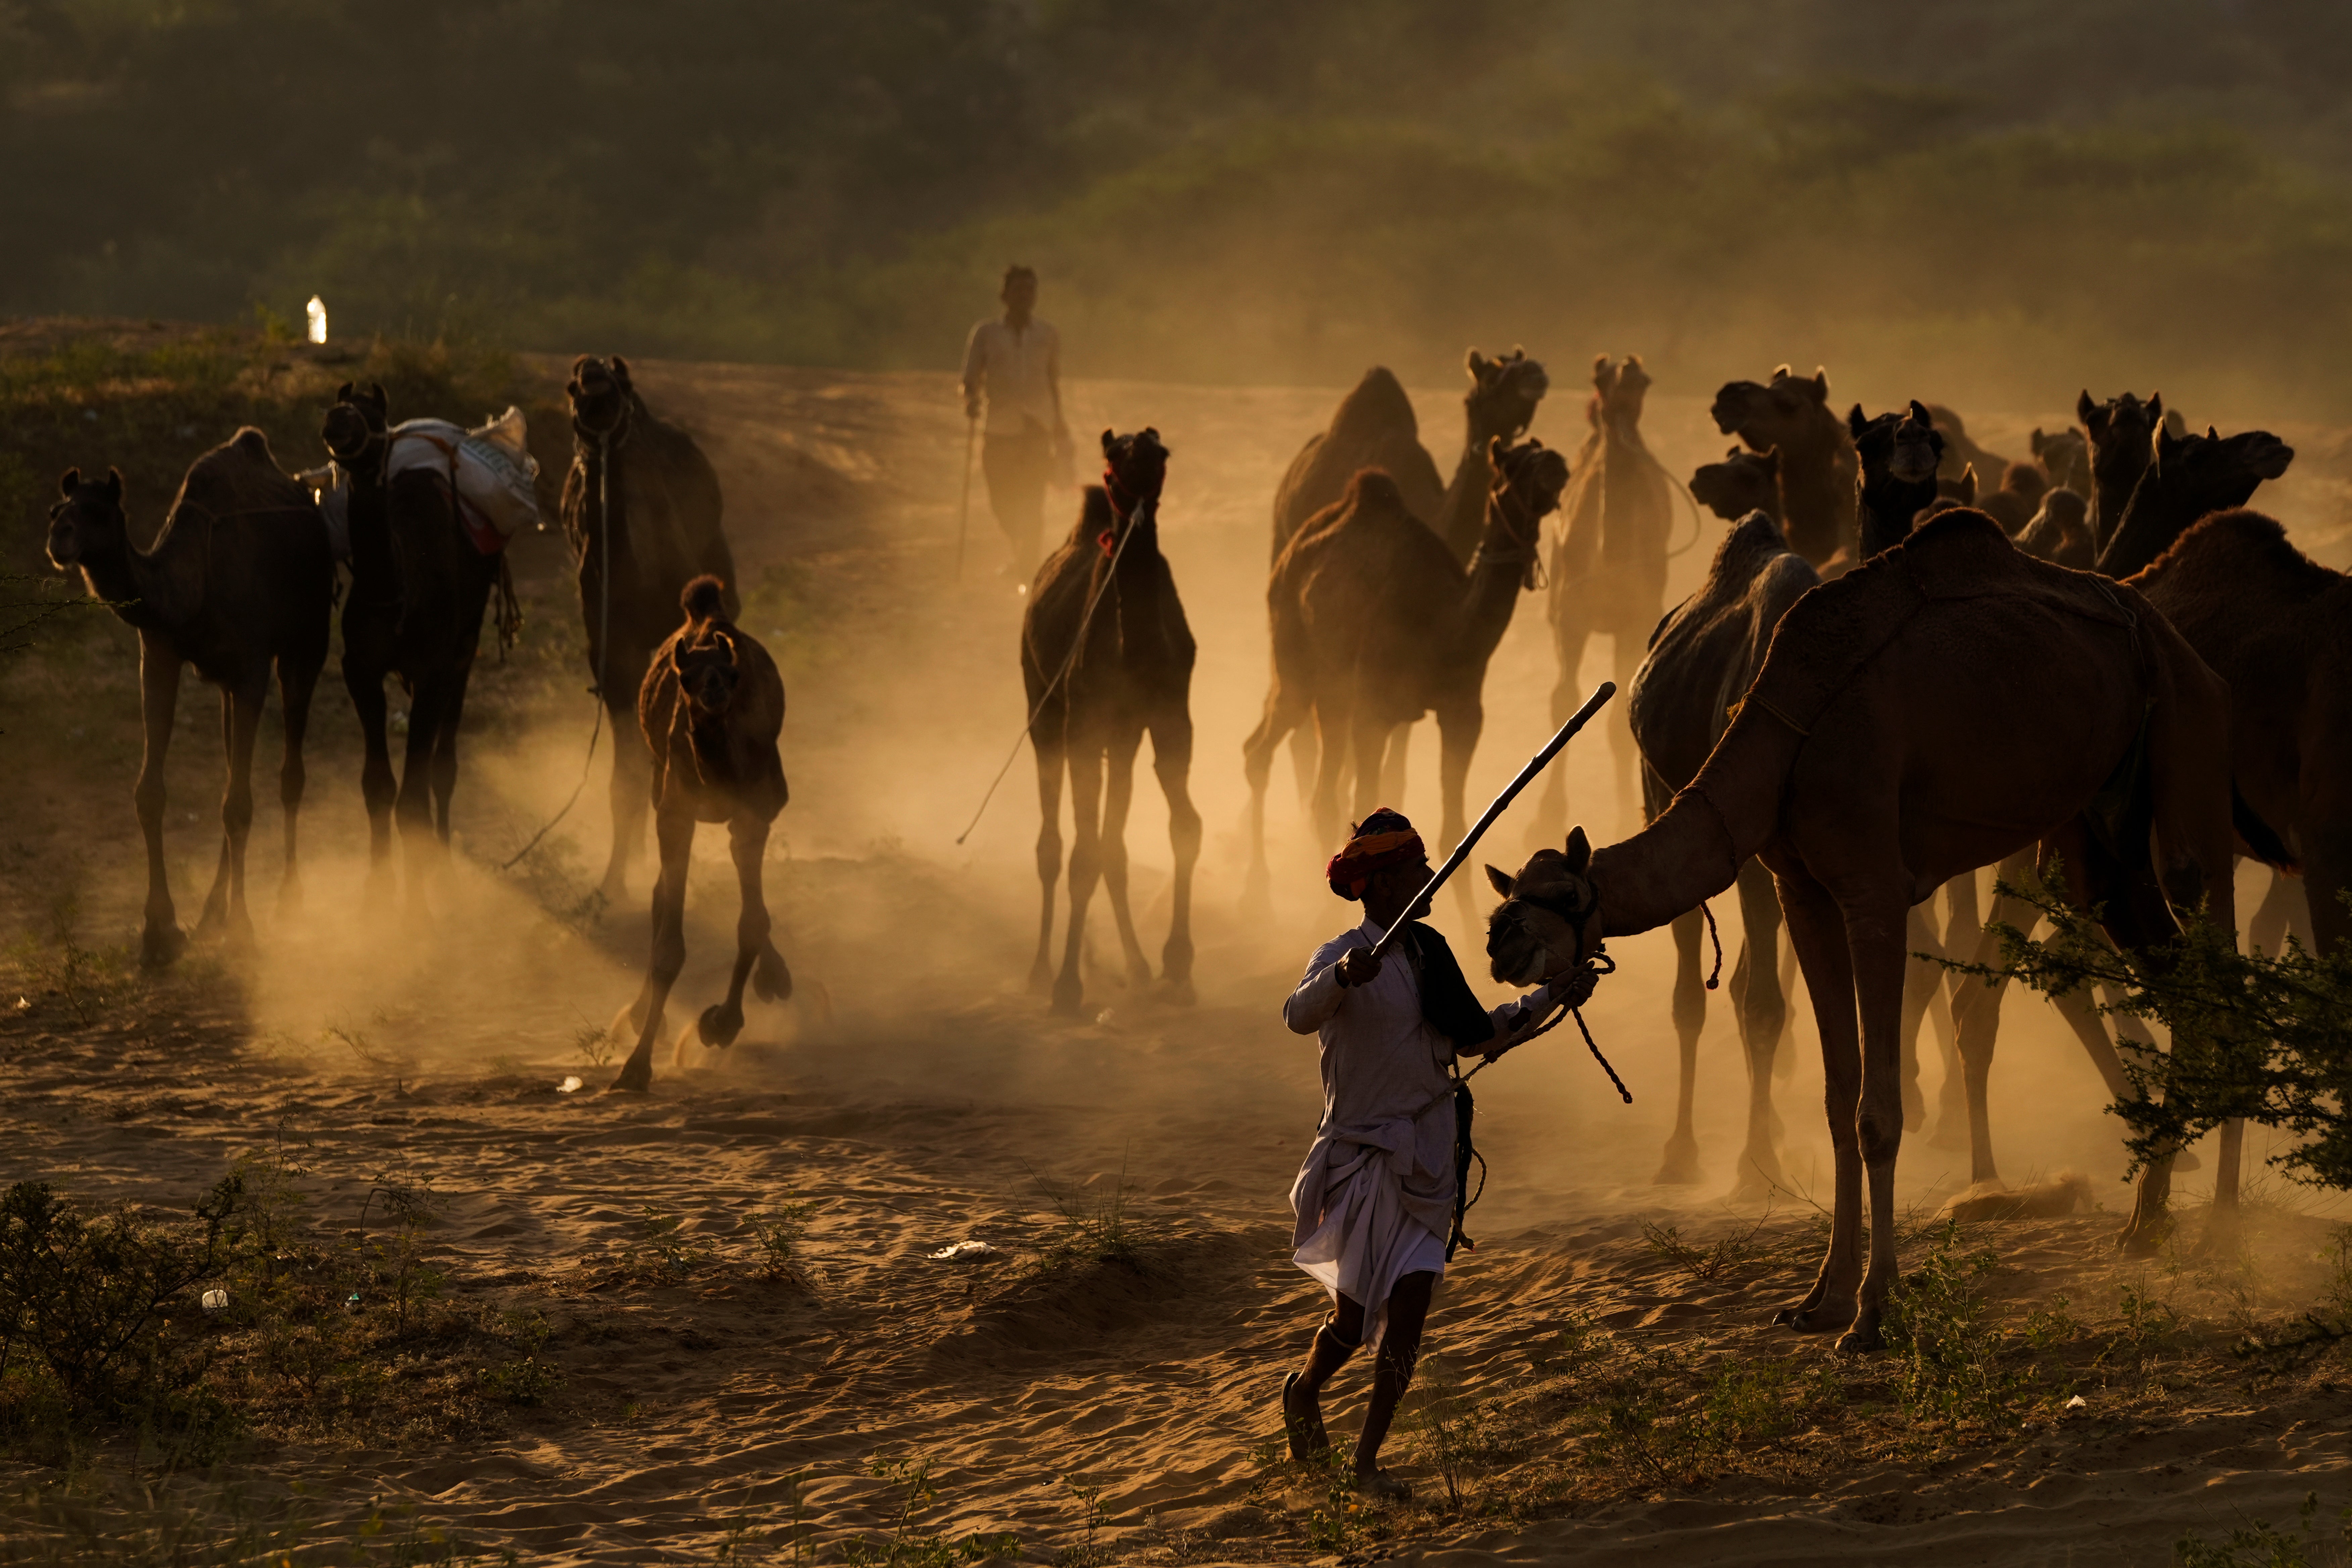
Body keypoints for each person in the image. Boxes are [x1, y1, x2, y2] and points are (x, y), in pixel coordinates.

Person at [1278, 808, 1576, 1500]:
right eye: (1417, 868)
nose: (1429, 875)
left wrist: (1551, 995)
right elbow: (1297, 1014)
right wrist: (1348, 976)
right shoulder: (1340, 953)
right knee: (1352, 1322)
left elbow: (1476, 1035)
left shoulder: (1431, 951)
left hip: (1428, 1157)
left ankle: (1366, 1463)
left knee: (1410, 1309)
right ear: (1381, 884)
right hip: (1359, 1158)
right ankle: (1304, 1388)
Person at [959, 265, 1070, 575]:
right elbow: (971, 377)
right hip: (1000, 429)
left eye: (1030, 290)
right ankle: (1022, 552)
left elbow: (1052, 380)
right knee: (1002, 502)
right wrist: (971, 400)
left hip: (1037, 429)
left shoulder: (1048, 334)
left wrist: (1059, 423)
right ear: (1005, 295)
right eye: (1019, 290)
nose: (1025, 296)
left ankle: (1028, 569)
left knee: (1033, 501)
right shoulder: (986, 333)